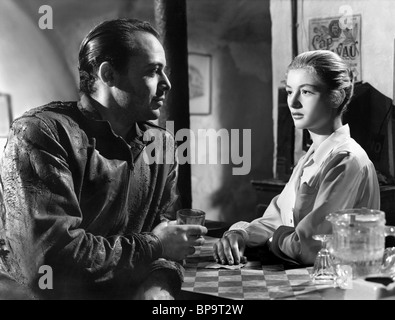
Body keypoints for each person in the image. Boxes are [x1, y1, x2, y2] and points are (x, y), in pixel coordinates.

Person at [0, 18, 207, 300]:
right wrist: (154, 244)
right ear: (108, 75)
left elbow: (172, 236)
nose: (167, 84)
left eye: (165, 71)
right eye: (153, 71)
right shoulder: (42, 133)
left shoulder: (162, 143)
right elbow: (49, 264)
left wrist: (157, 286)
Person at [213, 50, 380, 266]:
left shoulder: (346, 160)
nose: (293, 102)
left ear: (336, 97)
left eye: (307, 92)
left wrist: (273, 240)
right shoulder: (309, 158)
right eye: (290, 91)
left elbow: (309, 247)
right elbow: (277, 217)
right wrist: (241, 235)